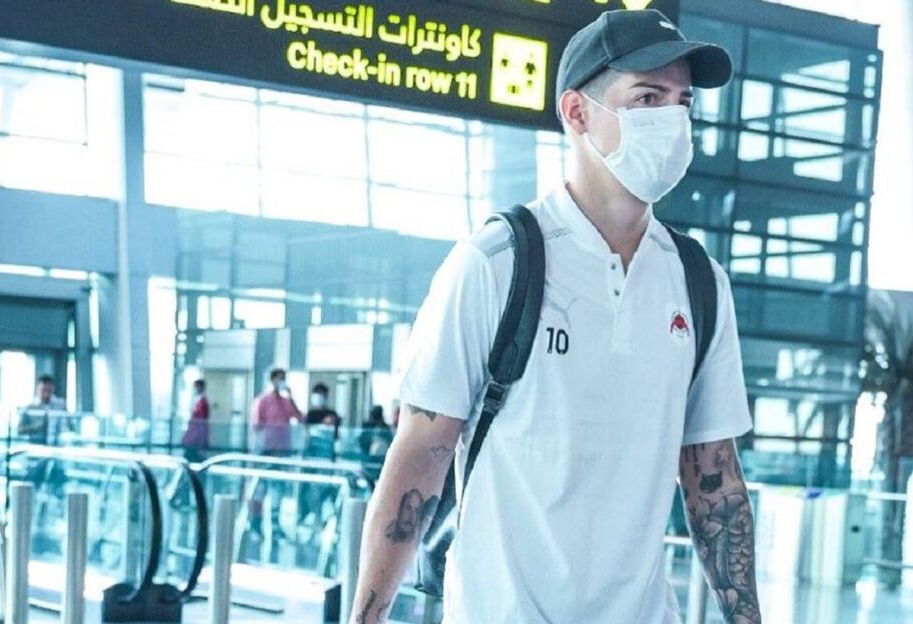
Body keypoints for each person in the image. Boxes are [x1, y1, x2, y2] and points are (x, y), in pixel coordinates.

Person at [350, 10, 759, 624]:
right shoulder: (494, 265)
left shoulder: (699, 282)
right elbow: (420, 456)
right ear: (576, 112)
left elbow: (714, 479)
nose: (671, 121)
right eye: (647, 98)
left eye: (683, 102)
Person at [251, 368, 303, 456]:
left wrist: (291, 397)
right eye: (279, 379)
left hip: (284, 446)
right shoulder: (263, 400)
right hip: (268, 446)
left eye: (283, 379)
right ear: (272, 380)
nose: (281, 381)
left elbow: (299, 418)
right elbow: (257, 425)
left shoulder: (286, 401)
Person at [18, 374, 70, 445]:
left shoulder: (61, 405)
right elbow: (20, 430)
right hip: (35, 446)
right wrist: (37, 427)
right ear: (38, 389)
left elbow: (69, 424)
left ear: (53, 389)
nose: (46, 393)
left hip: (57, 446)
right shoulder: (29, 408)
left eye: (49, 390)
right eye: (44, 390)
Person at [304, 382, 341, 459]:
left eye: (321, 395)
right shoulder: (311, 414)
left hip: (327, 449)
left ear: (326, 397)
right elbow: (306, 432)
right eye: (317, 395)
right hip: (313, 449)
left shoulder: (332, 414)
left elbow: (336, 434)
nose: (319, 398)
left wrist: (332, 423)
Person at [181, 379, 210, 462]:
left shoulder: (203, 401)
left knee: (192, 454)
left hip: (197, 434)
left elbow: (201, 419)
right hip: (194, 433)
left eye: (196, 387)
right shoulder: (198, 400)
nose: (195, 389)